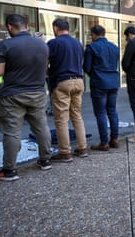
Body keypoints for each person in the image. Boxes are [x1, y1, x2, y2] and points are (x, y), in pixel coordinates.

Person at [0, 14, 52, 180]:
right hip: (38, 93)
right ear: (27, 27)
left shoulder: (5, 45)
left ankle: (9, 170)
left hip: (12, 95)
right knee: (41, 127)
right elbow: (46, 69)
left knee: (12, 132)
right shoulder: (43, 46)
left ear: (9, 27)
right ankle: (45, 160)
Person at [48, 18, 88, 162]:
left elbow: (45, 63)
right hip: (79, 81)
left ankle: (65, 152)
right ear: (68, 29)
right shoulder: (77, 43)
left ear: (55, 28)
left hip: (62, 82)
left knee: (61, 119)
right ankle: (82, 148)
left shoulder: (53, 43)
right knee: (77, 115)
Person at [83, 24, 120, 151]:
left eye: (91, 35)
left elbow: (87, 68)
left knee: (100, 113)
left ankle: (104, 142)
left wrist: (95, 74)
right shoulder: (115, 47)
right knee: (112, 111)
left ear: (93, 34)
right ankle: (115, 139)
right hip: (113, 82)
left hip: (99, 83)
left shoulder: (91, 47)